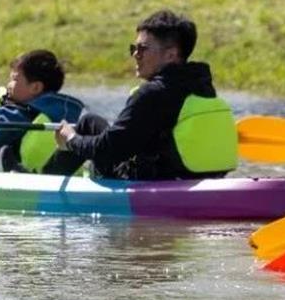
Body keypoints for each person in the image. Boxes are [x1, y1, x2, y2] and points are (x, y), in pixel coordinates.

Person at [51, 10, 238, 180]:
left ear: (171, 55)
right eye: (133, 48)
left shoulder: (152, 93)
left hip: (151, 184)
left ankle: (47, 183)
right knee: (90, 122)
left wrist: (71, 139)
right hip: (196, 180)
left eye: (142, 49)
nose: (135, 55)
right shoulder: (201, 86)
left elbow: (108, 150)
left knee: (83, 129)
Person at [0, 50, 84, 173]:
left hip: (18, 184)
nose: (8, 85)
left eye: (14, 80)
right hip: (57, 180)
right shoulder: (70, 113)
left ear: (35, 87)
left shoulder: (18, 113)